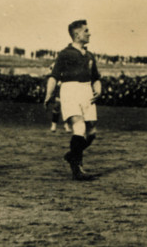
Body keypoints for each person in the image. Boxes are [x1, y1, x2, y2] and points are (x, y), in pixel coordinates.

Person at [44, 20, 102, 181]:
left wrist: (99, 89)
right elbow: (54, 75)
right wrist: (49, 94)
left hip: (87, 91)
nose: (89, 33)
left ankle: (72, 155)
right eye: (86, 31)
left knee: (92, 133)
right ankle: (77, 169)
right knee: (79, 126)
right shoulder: (65, 53)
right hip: (70, 90)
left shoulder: (90, 55)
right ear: (77, 34)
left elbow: (96, 77)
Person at [47, 63, 71, 133]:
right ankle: (53, 125)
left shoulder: (70, 64)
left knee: (67, 107)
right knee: (57, 105)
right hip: (59, 88)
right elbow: (51, 69)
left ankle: (66, 125)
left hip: (67, 87)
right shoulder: (56, 63)